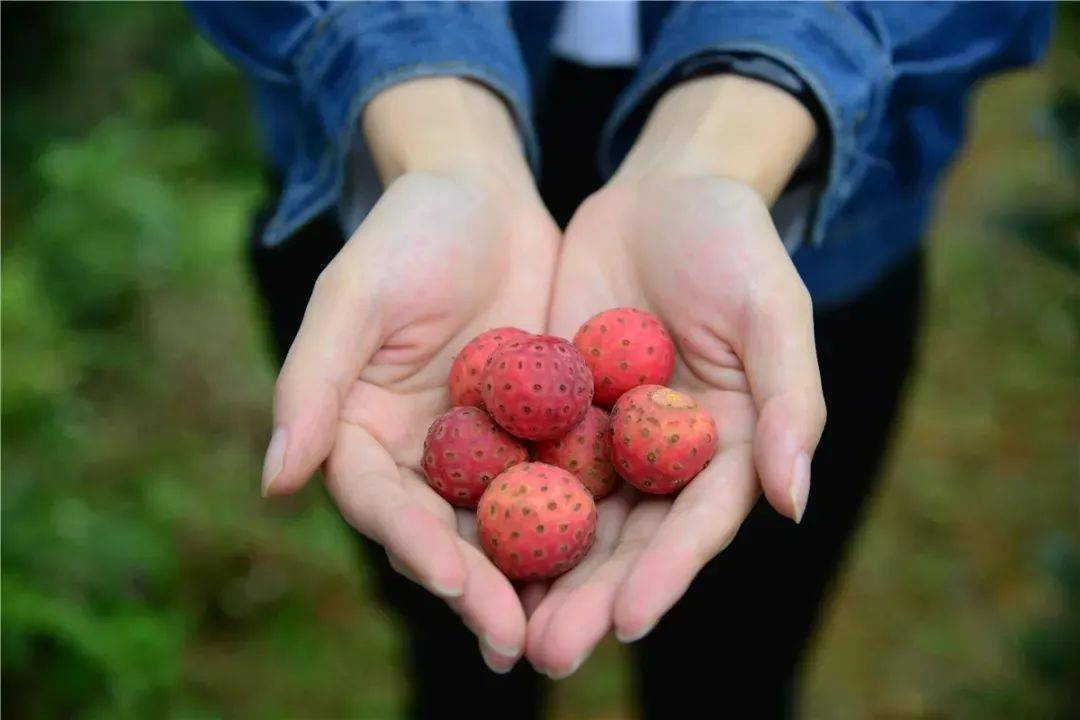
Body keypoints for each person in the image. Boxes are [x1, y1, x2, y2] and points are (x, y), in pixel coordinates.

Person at [190, 2, 1052, 717]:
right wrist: (433, 120)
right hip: (394, 179)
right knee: (455, 642)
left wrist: (730, 131)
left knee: (734, 662)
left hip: (783, 200)